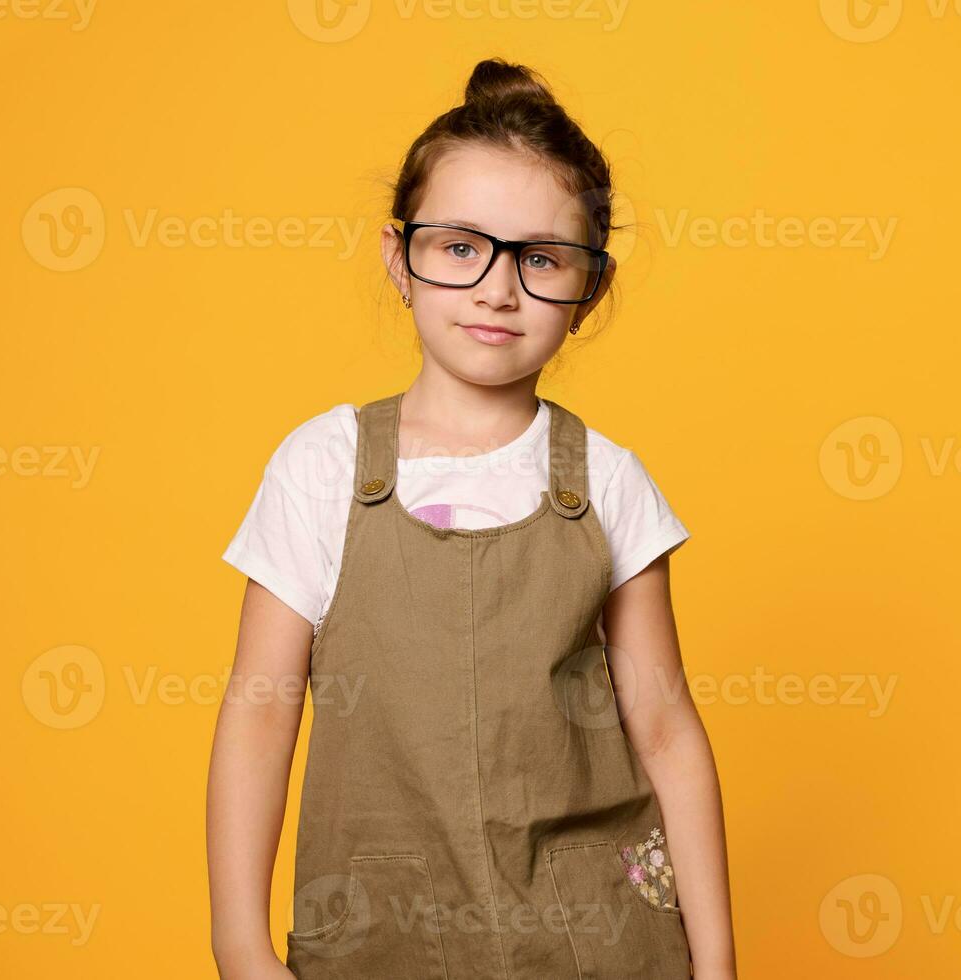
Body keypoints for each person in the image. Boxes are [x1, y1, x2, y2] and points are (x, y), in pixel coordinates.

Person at [205, 57, 737, 980]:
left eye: (540, 258)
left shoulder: (607, 482)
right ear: (397, 257)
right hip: (378, 937)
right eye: (460, 246)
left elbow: (664, 729)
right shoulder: (322, 468)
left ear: (590, 290)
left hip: (594, 943)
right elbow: (259, 714)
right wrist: (239, 946)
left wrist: (717, 964)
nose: (498, 288)